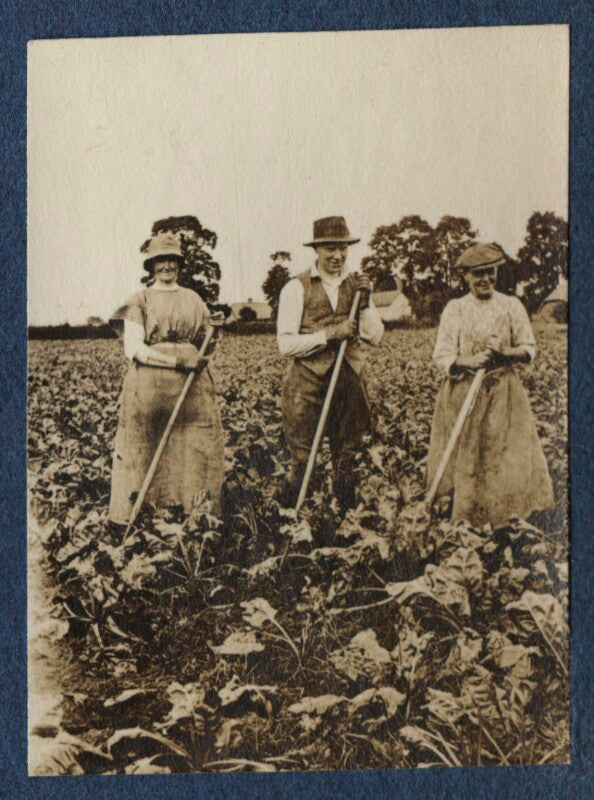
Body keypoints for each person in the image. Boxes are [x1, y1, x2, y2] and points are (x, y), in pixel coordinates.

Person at [426, 242, 554, 528]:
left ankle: (504, 520)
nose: (485, 279)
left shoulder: (511, 306)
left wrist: (504, 354)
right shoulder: (456, 309)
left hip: (503, 392)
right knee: (468, 455)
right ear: (466, 277)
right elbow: (443, 354)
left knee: (504, 454)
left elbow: (528, 348)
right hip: (463, 393)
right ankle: (464, 517)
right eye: (477, 274)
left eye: (490, 272)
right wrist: (468, 361)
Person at [108, 233, 224, 525]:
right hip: (150, 388)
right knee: (144, 449)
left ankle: (194, 515)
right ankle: (138, 516)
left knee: (196, 448)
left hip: (192, 389)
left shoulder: (194, 299)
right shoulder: (139, 300)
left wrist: (216, 332)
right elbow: (133, 349)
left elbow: (204, 346)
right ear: (151, 265)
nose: (166, 265)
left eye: (172, 259)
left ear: (179, 263)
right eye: (160, 260)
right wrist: (177, 362)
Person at [277, 216, 384, 511]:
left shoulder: (359, 286)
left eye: (342, 248)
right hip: (307, 383)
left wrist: (366, 303)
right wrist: (329, 334)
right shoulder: (296, 288)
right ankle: (290, 521)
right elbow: (285, 344)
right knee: (303, 461)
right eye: (329, 249)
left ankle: (345, 524)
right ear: (317, 250)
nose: (337, 256)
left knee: (347, 460)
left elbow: (375, 337)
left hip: (349, 381)